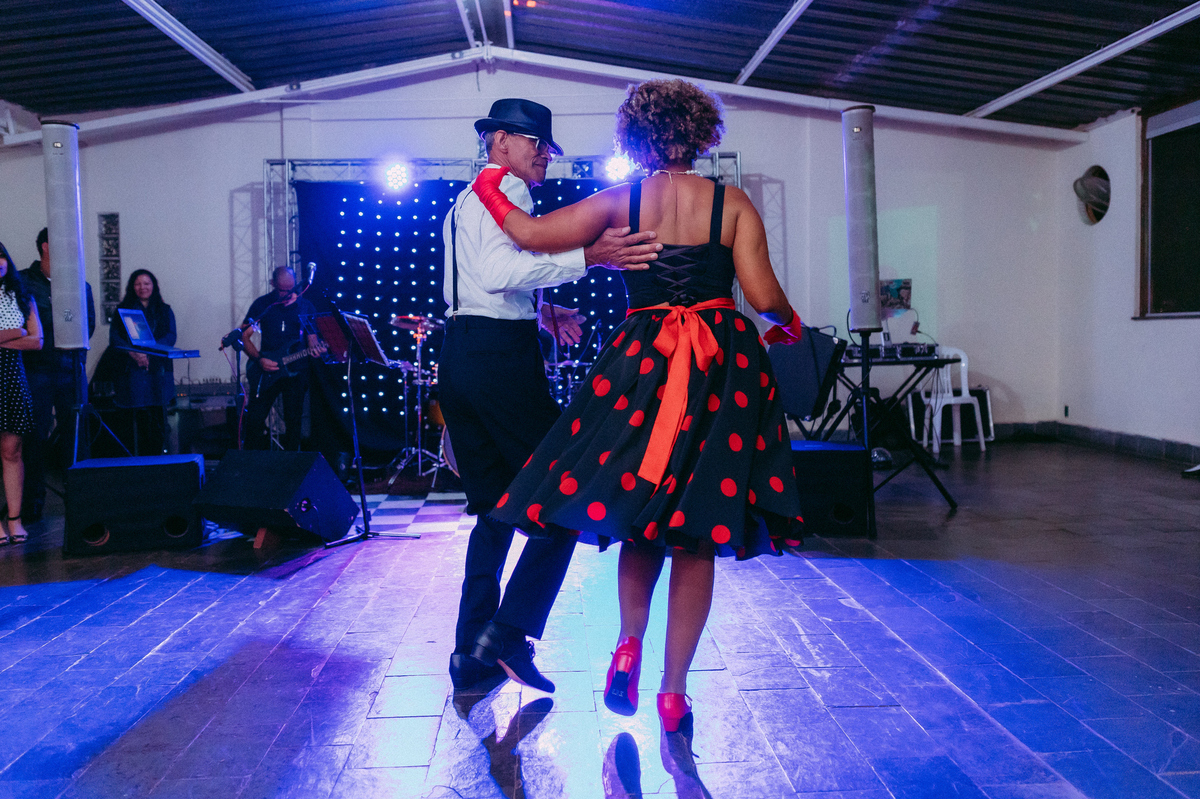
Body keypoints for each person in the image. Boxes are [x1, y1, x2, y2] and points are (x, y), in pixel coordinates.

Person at [475, 79, 805, 736]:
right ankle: (673, 691)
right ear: (701, 132)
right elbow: (764, 295)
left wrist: (491, 183)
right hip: (720, 367)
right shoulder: (733, 202)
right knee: (699, 529)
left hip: (642, 363)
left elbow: (531, 235)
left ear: (636, 137)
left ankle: (627, 643)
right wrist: (790, 325)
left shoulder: (618, 201)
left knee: (643, 517)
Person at [441, 97, 662, 693]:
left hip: (460, 355)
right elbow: (498, 275)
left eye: (548, 146)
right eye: (535, 143)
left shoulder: (466, 197)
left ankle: (469, 653)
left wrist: (540, 311)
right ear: (501, 142)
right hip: (500, 363)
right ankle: (509, 633)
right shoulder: (508, 190)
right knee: (567, 493)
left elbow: (476, 286)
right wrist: (589, 257)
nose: (544, 155)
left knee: (493, 511)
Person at [20, 227, 96, 522]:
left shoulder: (80, 284)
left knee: (77, 436)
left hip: (70, 369)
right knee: (34, 438)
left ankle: (81, 501)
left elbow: (88, 325)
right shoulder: (24, 282)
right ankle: (32, 503)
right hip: (35, 369)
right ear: (46, 246)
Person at [240, 267, 320, 451]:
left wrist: (316, 349)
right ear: (273, 284)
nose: (287, 294)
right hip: (266, 369)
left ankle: (291, 464)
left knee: (294, 422)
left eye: (290, 289)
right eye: (282, 290)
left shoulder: (305, 306)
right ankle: (252, 462)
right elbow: (244, 336)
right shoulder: (263, 304)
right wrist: (259, 359)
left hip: (296, 371)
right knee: (255, 419)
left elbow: (313, 340)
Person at [0, 241, 43, 544]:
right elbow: (26, 335)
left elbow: (37, 341)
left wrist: (17, 336)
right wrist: (18, 332)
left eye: (1, 256)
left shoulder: (23, 295)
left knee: (12, 451)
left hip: (12, 376)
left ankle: (15, 519)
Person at [108, 270, 177, 454]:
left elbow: (171, 336)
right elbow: (115, 338)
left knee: (157, 418)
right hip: (131, 372)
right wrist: (133, 353)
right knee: (134, 420)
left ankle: (159, 459)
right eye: (138, 284)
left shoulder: (165, 310)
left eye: (146, 283)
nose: (142, 287)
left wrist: (149, 352)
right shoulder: (123, 310)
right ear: (132, 287)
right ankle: (135, 461)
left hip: (158, 371)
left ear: (154, 286)